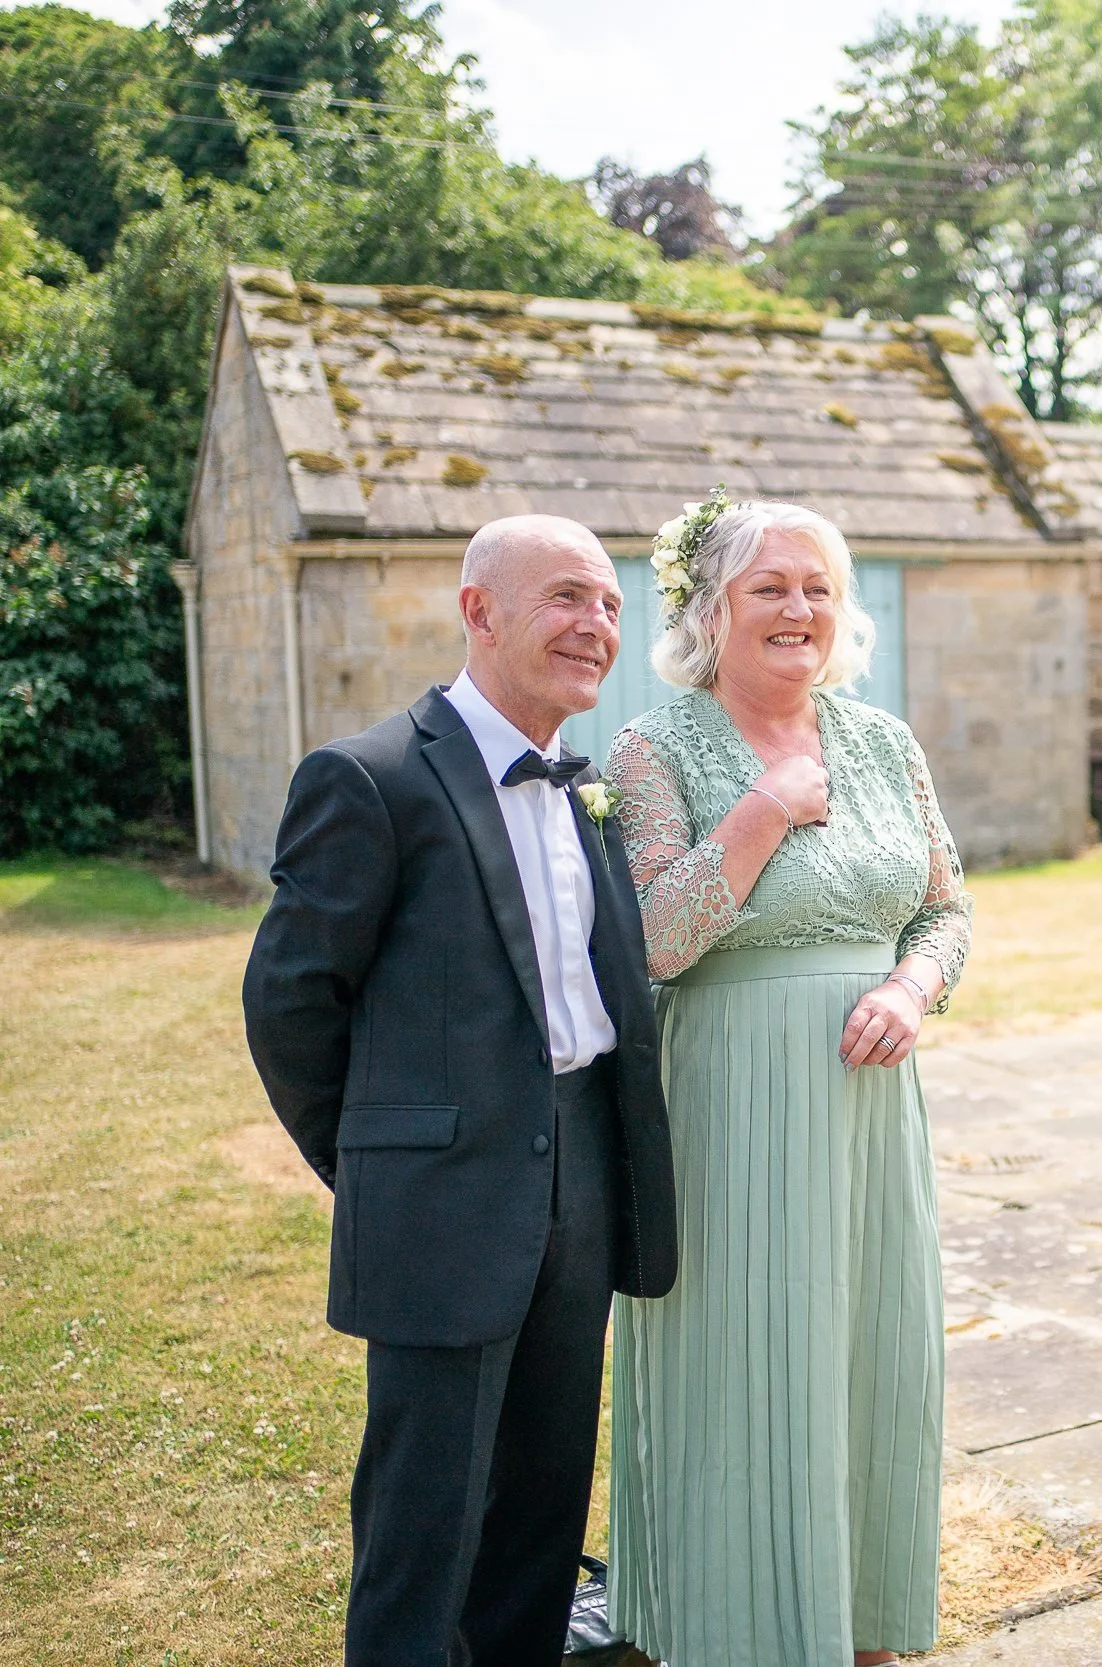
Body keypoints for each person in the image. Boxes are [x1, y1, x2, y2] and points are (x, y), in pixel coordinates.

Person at [241, 515, 677, 1666]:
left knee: (541, 1496)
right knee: (423, 1513)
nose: (594, 625)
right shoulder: (371, 775)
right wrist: (380, 1162)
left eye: (609, 605)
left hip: (582, 1166)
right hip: (440, 1192)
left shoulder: (593, 788)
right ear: (479, 610)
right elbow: (290, 1001)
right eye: (565, 598)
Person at [602, 499, 970, 1667]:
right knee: (740, 1361)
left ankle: (859, 1623)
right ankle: (724, 1626)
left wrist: (912, 987)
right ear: (711, 612)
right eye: (768, 587)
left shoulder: (884, 743)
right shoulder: (653, 751)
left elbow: (945, 904)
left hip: (868, 1113)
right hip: (726, 1108)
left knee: (871, 1353)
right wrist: (764, 809)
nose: (798, 609)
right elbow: (658, 938)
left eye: (816, 586)